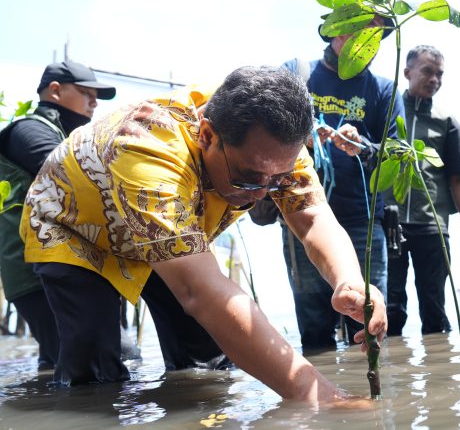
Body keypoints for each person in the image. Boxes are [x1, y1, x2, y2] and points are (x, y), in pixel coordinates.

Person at [20, 66, 386, 406]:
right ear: (207, 135)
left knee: (205, 362)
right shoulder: (146, 144)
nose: (262, 194)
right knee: (94, 367)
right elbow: (200, 293)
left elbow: (310, 215)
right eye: (248, 177)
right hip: (75, 228)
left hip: (162, 231)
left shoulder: (275, 147)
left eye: (277, 181)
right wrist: (321, 399)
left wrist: (349, 281)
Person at [279, 16, 403, 352]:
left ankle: (375, 402)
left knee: (371, 326)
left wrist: (364, 146)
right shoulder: (297, 74)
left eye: (378, 34)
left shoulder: (383, 90)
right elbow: (266, 127)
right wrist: (300, 136)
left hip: (363, 221)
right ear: (337, 30)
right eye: (361, 29)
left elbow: (397, 152)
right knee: (315, 330)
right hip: (301, 218)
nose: (369, 41)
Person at [0, 60, 116, 369]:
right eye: (85, 93)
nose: (94, 103)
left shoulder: (62, 134)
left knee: (59, 363)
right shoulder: (29, 130)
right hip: (36, 273)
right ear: (55, 90)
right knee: (98, 366)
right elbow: (69, 178)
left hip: (53, 270)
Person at [385, 45, 460, 336]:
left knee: (434, 306)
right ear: (407, 72)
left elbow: (459, 179)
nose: (434, 79)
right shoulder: (387, 111)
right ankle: (393, 374)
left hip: (432, 225)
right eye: (427, 71)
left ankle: (441, 374)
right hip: (389, 222)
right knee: (391, 306)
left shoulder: (447, 122)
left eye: (439, 74)